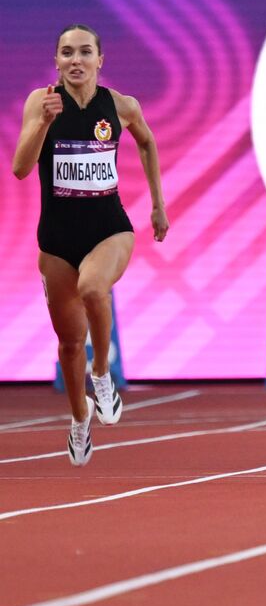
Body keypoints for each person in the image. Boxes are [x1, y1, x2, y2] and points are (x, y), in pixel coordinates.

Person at [11, 24, 169, 466]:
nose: (75, 60)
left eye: (84, 52)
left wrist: (158, 205)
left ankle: (102, 373)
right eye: (66, 53)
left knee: (95, 289)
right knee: (67, 345)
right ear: (56, 61)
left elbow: (148, 142)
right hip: (57, 239)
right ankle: (80, 419)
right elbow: (21, 169)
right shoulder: (41, 103)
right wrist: (43, 121)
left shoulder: (120, 106)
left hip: (109, 228)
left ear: (101, 60)